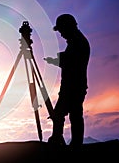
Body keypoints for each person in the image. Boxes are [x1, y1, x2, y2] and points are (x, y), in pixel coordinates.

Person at [44, 13, 90, 149]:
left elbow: (71, 62)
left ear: (68, 27)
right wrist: (56, 60)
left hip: (73, 87)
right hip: (73, 86)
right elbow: (69, 60)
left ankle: (60, 141)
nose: (61, 34)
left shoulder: (78, 42)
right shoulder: (76, 41)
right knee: (73, 114)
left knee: (62, 114)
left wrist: (56, 60)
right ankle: (69, 142)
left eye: (62, 31)